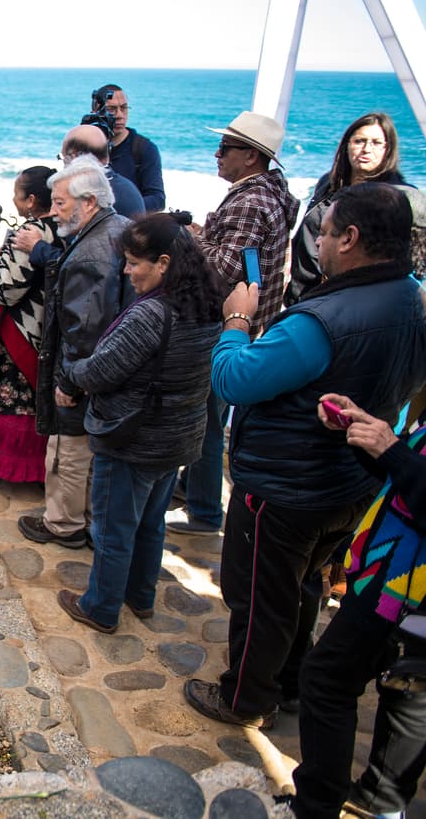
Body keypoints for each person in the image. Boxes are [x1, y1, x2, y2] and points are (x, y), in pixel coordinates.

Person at [183, 183, 426, 730]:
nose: (318, 241)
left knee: (258, 596)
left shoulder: (321, 321)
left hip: (285, 484)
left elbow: (235, 379)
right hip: (353, 479)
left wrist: (237, 322)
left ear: (352, 238)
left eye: (326, 230)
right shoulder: (414, 296)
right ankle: (291, 680)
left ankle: (245, 698)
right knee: (303, 585)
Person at [55, 214, 222, 633]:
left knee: (113, 529)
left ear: (163, 263)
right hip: (177, 437)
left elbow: (101, 372)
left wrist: (70, 373)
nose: (127, 272)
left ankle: (101, 607)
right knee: (150, 524)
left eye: (133, 263)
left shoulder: (151, 314)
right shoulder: (208, 304)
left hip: (132, 438)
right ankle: (140, 597)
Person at [291, 393, 426, 818]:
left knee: (327, 680)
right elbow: (408, 480)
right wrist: (368, 437)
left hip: (403, 594)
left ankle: (316, 805)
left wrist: (391, 451)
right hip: (392, 584)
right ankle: (380, 802)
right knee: (406, 695)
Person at [166, 111, 300, 538]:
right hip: (246, 323)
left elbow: (225, 268)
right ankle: (193, 490)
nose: (217, 154)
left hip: (225, 324)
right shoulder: (268, 196)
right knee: (212, 414)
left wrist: (190, 237)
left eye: (226, 148)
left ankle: (204, 512)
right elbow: (246, 257)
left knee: (204, 419)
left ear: (252, 157)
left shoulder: (247, 201)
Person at [16, 156, 130, 549]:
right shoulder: (118, 229)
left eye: (60, 203)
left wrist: (69, 381)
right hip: (111, 370)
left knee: (69, 449)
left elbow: (84, 328)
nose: (52, 211)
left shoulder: (90, 254)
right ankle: (84, 519)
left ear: (89, 203)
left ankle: (63, 523)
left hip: (84, 372)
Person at [0, 166, 59, 482]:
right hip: (49, 331)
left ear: (30, 201)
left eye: (16, 194)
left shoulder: (27, 234)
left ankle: (12, 468)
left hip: (22, 332)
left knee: (15, 395)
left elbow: (4, 291)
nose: (13, 199)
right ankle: (39, 467)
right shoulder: (64, 230)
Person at [286, 112, 405, 307]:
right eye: (359, 141)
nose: (366, 149)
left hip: (345, 301)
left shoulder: (393, 197)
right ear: (347, 145)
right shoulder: (329, 183)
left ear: (388, 149)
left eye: (376, 143)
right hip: (302, 291)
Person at [95, 84, 166, 212]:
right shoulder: (86, 144)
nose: (119, 115)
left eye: (124, 108)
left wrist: (120, 206)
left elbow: (158, 199)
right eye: (111, 109)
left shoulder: (144, 149)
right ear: (97, 112)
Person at [60, 124, 145, 220]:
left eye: (62, 158)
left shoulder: (87, 194)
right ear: (106, 156)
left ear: (73, 156)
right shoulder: (128, 187)